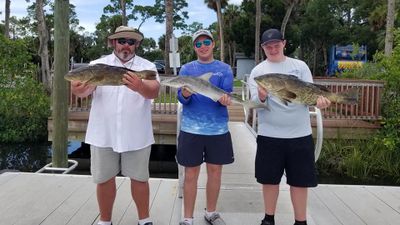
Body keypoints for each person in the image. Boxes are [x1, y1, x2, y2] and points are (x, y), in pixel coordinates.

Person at [70, 26, 160, 225]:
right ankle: (104, 221)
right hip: (103, 133)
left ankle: (144, 220)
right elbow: (81, 92)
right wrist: (81, 88)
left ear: (136, 44)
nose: (126, 45)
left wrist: (140, 86)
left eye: (131, 41)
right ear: (113, 43)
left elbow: (153, 92)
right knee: (103, 179)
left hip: (136, 134)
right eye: (121, 41)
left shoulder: (147, 66)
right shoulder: (97, 65)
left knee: (140, 178)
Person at [248, 29, 331, 225]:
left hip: (300, 135)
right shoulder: (258, 72)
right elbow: (253, 104)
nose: (273, 48)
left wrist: (319, 102)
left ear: (284, 43)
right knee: (269, 180)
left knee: (300, 181)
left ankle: (300, 221)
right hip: (269, 135)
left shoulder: (300, 66)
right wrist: (260, 96)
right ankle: (268, 219)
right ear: (262, 48)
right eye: (268, 46)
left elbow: (309, 95)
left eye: (276, 44)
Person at [176, 29, 234, 225]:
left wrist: (225, 100)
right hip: (191, 129)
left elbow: (226, 94)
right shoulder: (186, 69)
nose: (203, 47)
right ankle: (187, 218)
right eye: (198, 44)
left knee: (215, 171)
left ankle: (211, 212)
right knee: (190, 173)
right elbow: (182, 99)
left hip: (218, 130)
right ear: (194, 47)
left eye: (206, 42)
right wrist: (184, 93)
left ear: (213, 44)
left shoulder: (224, 68)